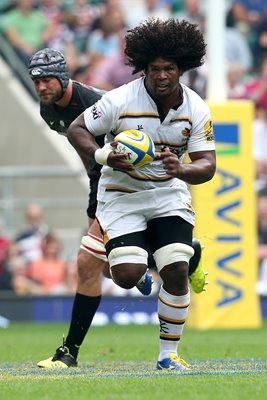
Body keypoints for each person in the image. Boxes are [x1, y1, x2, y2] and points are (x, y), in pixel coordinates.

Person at [28, 45, 207, 369]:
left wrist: (112, 167)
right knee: (115, 270)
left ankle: (70, 352)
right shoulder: (49, 109)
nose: (42, 87)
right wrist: (96, 188)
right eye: (36, 81)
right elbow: (87, 151)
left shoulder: (100, 101)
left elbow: (112, 143)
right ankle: (180, 251)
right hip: (108, 184)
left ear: (63, 76)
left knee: (88, 262)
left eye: (48, 80)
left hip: (132, 184)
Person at [67, 18, 216, 371]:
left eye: (169, 68)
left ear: (182, 68)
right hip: (121, 194)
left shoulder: (196, 108)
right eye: (154, 69)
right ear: (143, 69)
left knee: (177, 269)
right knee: (127, 275)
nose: (161, 75)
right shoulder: (120, 99)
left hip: (167, 193)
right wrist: (103, 155)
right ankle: (149, 257)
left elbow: (207, 165)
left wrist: (181, 169)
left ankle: (168, 356)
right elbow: (77, 129)